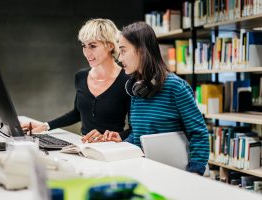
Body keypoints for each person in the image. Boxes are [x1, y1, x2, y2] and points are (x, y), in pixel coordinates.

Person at [83, 21, 209, 175]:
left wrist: (194, 174)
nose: (119, 59)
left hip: (175, 173)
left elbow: (199, 134)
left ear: (141, 51)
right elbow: (138, 136)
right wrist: (122, 142)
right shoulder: (138, 90)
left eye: (123, 51)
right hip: (145, 169)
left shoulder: (176, 87)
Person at [22, 18, 131, 141]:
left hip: (112, 151)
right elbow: (77, 113)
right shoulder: (81, 76)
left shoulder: (127, 80)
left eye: (93, 46)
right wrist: (45, 126)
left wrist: (110, 137)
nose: (86, 52)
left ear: (110, 46)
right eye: (84, 46)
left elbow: (134, 129)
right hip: (83, 146)